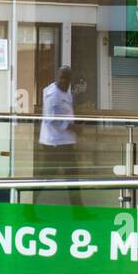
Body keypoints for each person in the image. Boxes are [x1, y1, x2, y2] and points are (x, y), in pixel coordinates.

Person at [36, 65, 81, 204]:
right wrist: (71, 127)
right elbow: (51, 119)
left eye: (66, 78)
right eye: (61, 77)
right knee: (48, 175)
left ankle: (78, 210)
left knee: (71, 175)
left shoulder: (66, 91)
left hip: (64, 141)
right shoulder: (53, 95)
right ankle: (28, 207)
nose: (64, 80)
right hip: (54, 142)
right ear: (56, 77)